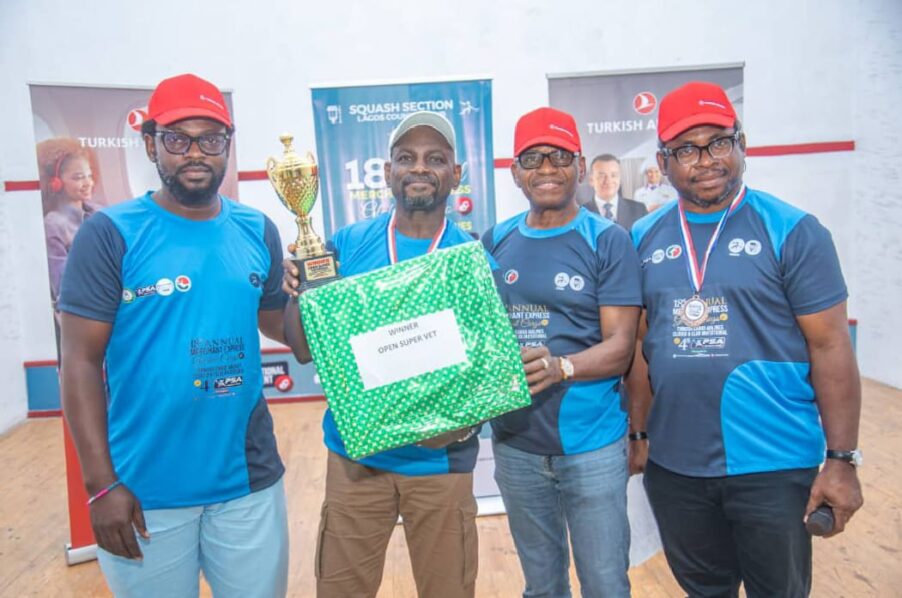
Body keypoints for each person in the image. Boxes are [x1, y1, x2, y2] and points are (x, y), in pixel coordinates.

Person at [626, 81, 863, 597]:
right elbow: (641, 351)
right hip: (677, 466)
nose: (706, 159)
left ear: (742, 144)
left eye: (719, 142)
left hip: (774, 464)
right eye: (687, 149)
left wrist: (842, 459)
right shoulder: (642, 239)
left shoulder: (794, 231)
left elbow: (831, 347)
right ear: (663, 163)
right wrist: (639, 435)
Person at [58, 73, 289, 598]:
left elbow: (281, 325)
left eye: (210, 139)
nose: (195, 153)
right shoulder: (110, 234)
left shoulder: (258, 230)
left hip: (247, 480)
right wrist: (101, 486)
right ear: (150, 144)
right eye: (177, 139)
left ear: (227, 145)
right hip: (144, 488)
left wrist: (318, 293)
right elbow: (78, 362)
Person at [282, 111, 481, 598]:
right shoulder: (346, 246)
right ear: (388, 171)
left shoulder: (471, 258)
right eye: (406, 158)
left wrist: (462, 427)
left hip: (440, 463)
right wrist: (299, 293)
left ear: (456, 173)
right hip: (356, 460)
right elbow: (304, 350)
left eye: (436, 159)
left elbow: (485, 370)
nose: (420, 168)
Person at [482, 107, 642, 597]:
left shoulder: (608, 240)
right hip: (516, 444)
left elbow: (621, 346)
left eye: (559, 156)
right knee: (542, 587)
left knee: (604, 584)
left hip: (591, 444)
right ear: (515, 172)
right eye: (533, 159)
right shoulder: (495, 240)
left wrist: (561, 368)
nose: (547, 169)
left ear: (580, 165)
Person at [36, 139, 101, 312]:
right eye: (78, 177)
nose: (88, 183)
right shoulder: (53, 225)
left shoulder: (101, 213)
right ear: (55, 182)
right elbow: (63, 287)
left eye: (89, 176)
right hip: (84, 310)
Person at [583, 153, 647, 230]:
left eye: (613, 175)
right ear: (591, 180)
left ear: (620, 178)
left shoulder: (639, 210)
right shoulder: (579, 215)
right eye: (601, 176)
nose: (608, 181)